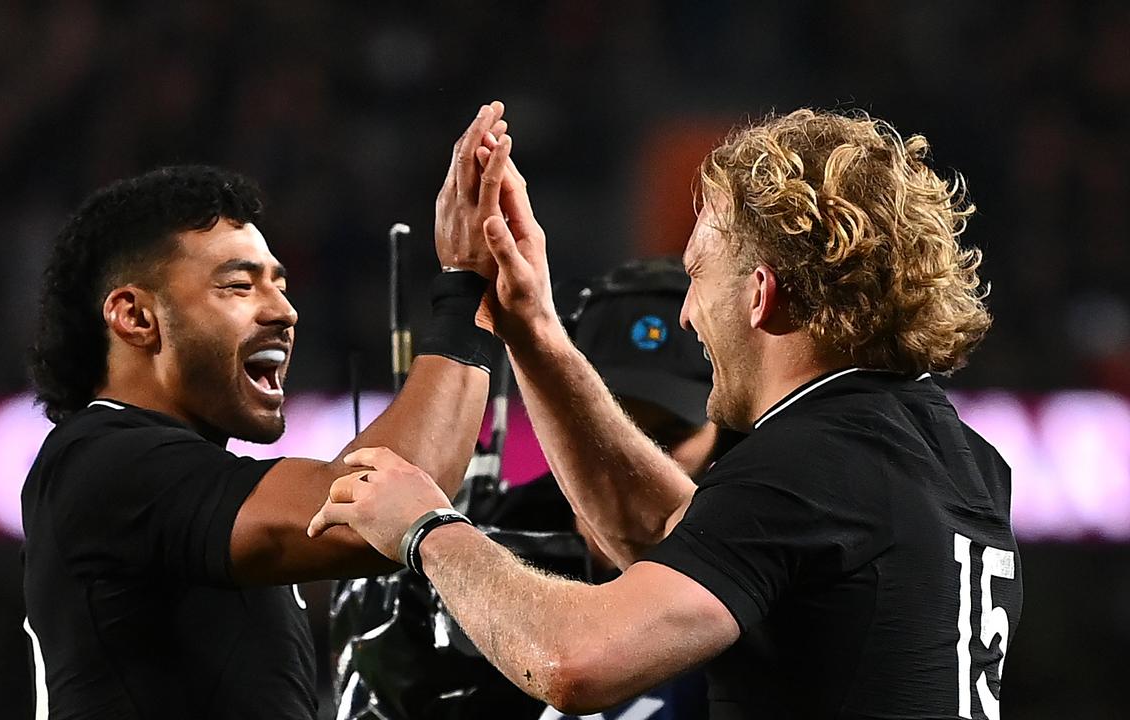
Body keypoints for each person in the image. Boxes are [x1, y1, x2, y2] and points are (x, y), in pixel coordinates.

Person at [307, 108, 1022, 719]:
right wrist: (531, 327)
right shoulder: (950, 456)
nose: (686, 313)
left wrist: (428, 530)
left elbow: (572, 662)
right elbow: (668, 533)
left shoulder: (812, 462)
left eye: (696, 274)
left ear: (759, 294)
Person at [20, 102, 514, 719]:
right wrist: (465, 288)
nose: (284, 311)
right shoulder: (100, 458)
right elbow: (381, 502)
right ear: (136, 317)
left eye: (280, 283)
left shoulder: (177, 498)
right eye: (238, 285)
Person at [332, 258, 721, 720]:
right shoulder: (476, 552)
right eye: (613, 424)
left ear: (724, 430)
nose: (630, 458)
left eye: (669, 435)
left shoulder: (756, 558)